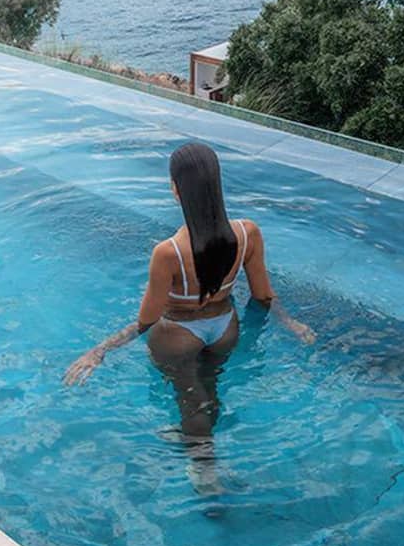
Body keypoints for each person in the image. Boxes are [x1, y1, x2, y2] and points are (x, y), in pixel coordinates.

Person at [63, 141, 314, 400]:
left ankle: (199, 441)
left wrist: (100, 349)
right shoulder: (248, 233)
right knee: (210, 389)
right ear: (217, 185)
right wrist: (291, 322)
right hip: (226, 330)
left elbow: (146, 321)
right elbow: (263, 296)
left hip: (178, 335)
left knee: (192, 405)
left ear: (176, 190)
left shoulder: (168, 252)